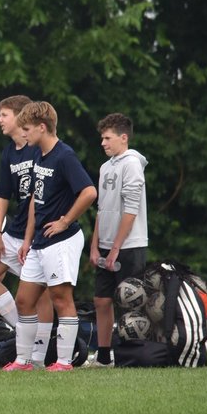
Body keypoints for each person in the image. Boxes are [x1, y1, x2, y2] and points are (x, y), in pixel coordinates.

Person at [4, 102, 97, 371]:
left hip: (62, 240)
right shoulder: (38, 156)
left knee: (61, 299)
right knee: (24, 299)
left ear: (42, 127)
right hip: (39, 242)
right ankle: (23, 361)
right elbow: (36, 199)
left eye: (28, 129)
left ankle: (64, 362)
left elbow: (89, 192)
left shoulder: (64, 155)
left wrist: (65, 221)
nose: (24, 134)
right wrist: (27, 240)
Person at [0, 96, 55, 358]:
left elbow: (36, 197)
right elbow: (2, 196)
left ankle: (41, 354)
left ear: (21, 117)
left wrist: (29, 239)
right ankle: (22, 330)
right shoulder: (9, 151)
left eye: (4, 114)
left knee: (40, 294)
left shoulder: (38, 148)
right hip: (14, 231)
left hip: (37, 234)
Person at [90, 113, 148, 366]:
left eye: (107, 138)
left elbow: (131, 209)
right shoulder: (105, 167)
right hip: (105, 245)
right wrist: (95, 245)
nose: (103, 143)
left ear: (123, 138)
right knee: (101, 300)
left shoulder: (132, 163)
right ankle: (104, 356)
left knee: (130, 302)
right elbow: (102, 209)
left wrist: (116, 248)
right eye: (102, 138)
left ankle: (132, 353)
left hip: (128, 246)